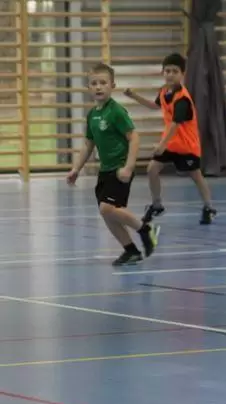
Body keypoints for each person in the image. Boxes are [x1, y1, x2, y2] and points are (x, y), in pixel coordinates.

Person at [66, 63, 160, 266]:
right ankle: (131, 251)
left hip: (120, 169)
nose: (98, 87)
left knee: (106, 208)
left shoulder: (116, 111)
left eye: (103, 83)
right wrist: (76, 169)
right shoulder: (92, 115)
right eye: (94, 83)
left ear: (112, 86)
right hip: (105, 170)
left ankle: (145, 228)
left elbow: (134, 138)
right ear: (88, 88)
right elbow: (88, 145)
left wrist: (129, 167)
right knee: (109, 215)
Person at [123, 53, 217, 225]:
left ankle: (209, 207)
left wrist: (161, 145)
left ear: (182, 74)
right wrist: (134, 96)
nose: (170, 74)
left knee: (196, 176)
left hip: (187, 146)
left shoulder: (182, 99)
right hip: (171, 143)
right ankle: (157, 204)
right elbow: (154, 106)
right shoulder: (164, 91)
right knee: (152, 169)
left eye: (175, 71)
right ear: (163, 72)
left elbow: (175, 124)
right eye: (167, 71)